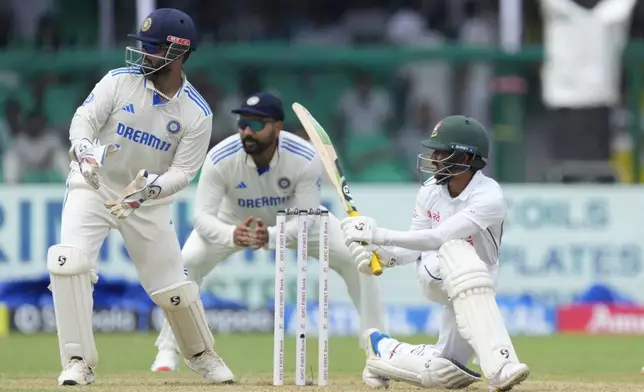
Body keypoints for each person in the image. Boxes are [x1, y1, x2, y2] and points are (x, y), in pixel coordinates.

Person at [150, 92, 388, 388]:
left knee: (359, 259)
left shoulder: (304, 157)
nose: (246, 131)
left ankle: (378, 350)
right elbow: (202, 217)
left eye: (255, 124)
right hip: (233, 221)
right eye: (242, 123)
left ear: (277, 127)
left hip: (300, 221)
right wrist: (231, 234)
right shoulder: (220, 158)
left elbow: (307, 217)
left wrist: (271, 236)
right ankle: (168, 349)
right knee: (187, 263)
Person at [47, 8, 233, 386]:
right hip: (93, 185)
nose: (143, 54)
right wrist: (83, 148)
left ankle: (202, 355)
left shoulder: (197, 113)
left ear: (178, 54)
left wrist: (148, 191)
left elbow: (182, 173)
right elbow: (84, 118)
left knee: (173, 290)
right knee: (69, 264)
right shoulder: (119, 82)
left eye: (152, 48)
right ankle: (78, 362)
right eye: (144, 45)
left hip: (147, 200)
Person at [341, 115, 530, 391]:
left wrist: (377, 235)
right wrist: (385, 256)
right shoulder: (430, 190)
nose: (433, 158)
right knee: (457, 252)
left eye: (442, 152)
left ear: (465, 159)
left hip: (477, 284)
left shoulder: (489, 197)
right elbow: (421, 245)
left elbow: (438, 236)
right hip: (437, 272)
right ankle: (502, 365)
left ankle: (380, 351)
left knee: (444, 371)